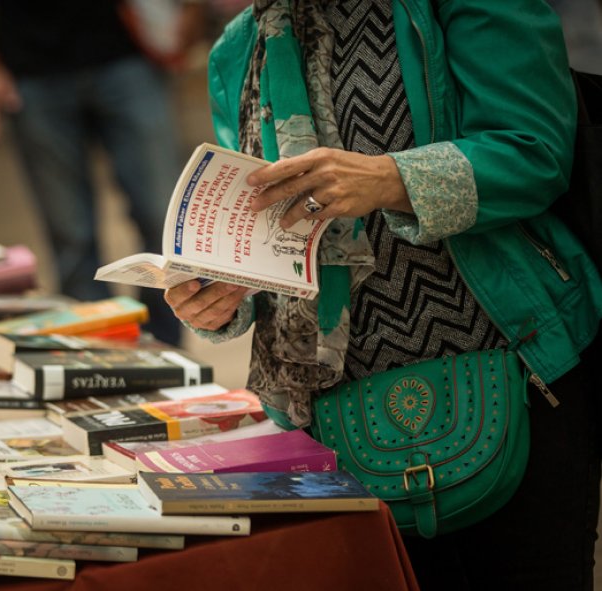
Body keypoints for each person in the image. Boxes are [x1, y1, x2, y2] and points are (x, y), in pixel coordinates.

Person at [164, 0, 602, 589]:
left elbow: (538, 151)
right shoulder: (240, 47)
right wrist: (222, 295)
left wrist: (390, 179)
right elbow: (267, 228)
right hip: (333, 423)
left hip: (515, 379)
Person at [0, 0, 207, 347]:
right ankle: (96, 357)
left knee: (165, 218)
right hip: (32, 65)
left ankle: (166, 353)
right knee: (71, 235)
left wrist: (190, 8)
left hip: (131, 50)